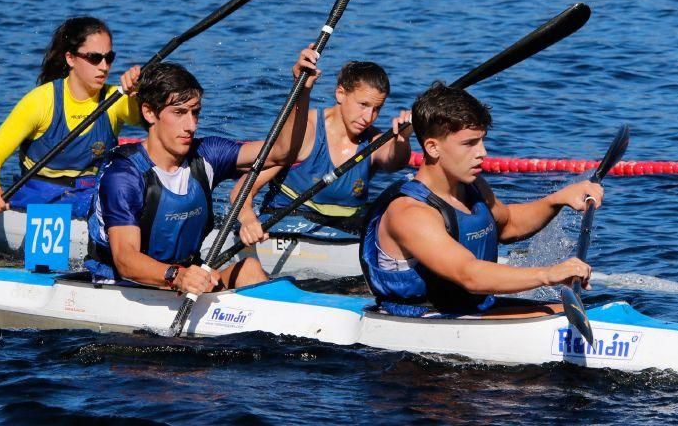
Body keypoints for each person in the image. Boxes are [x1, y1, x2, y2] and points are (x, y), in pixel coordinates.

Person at [84, 46, 319, 294]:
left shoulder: (207, 155)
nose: (191, 125)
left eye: (195, 113)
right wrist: (177, 276)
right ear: (149, 113)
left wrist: (301, 89)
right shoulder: (124, 175)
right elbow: (126, 261)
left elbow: (282, 152)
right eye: (179, 113)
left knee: (248, 267)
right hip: (126, 287)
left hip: (186, 279)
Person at [360, 83, 602, 317]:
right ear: (433, 147)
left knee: (580, 311)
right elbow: (469, 274)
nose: (482, 152)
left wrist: (558, 199)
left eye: (482, 140)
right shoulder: (409, 213)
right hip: (422, 319)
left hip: (470, 308)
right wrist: (549, 274)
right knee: (563, 315)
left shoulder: (472, 185)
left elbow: (509, 224)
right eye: (469, 143)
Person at [232, 61, 412, 246]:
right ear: (340, 93)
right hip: (290, 223)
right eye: (363, 105)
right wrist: (248, 219)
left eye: (377, 109)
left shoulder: (374, 141)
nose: (368, 117)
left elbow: (395, 162)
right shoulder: (305, 132)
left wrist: (403, 140)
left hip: (347, 230)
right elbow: (242, 190)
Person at [0, 16, 141, 219]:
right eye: (95, 58)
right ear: (70, 58)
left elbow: (141, 118)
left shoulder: (115, 99)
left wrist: (136, 94)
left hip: (90, 196)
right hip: (38, 197)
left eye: (109, 57)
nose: (104, 66)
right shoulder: (41, 102)